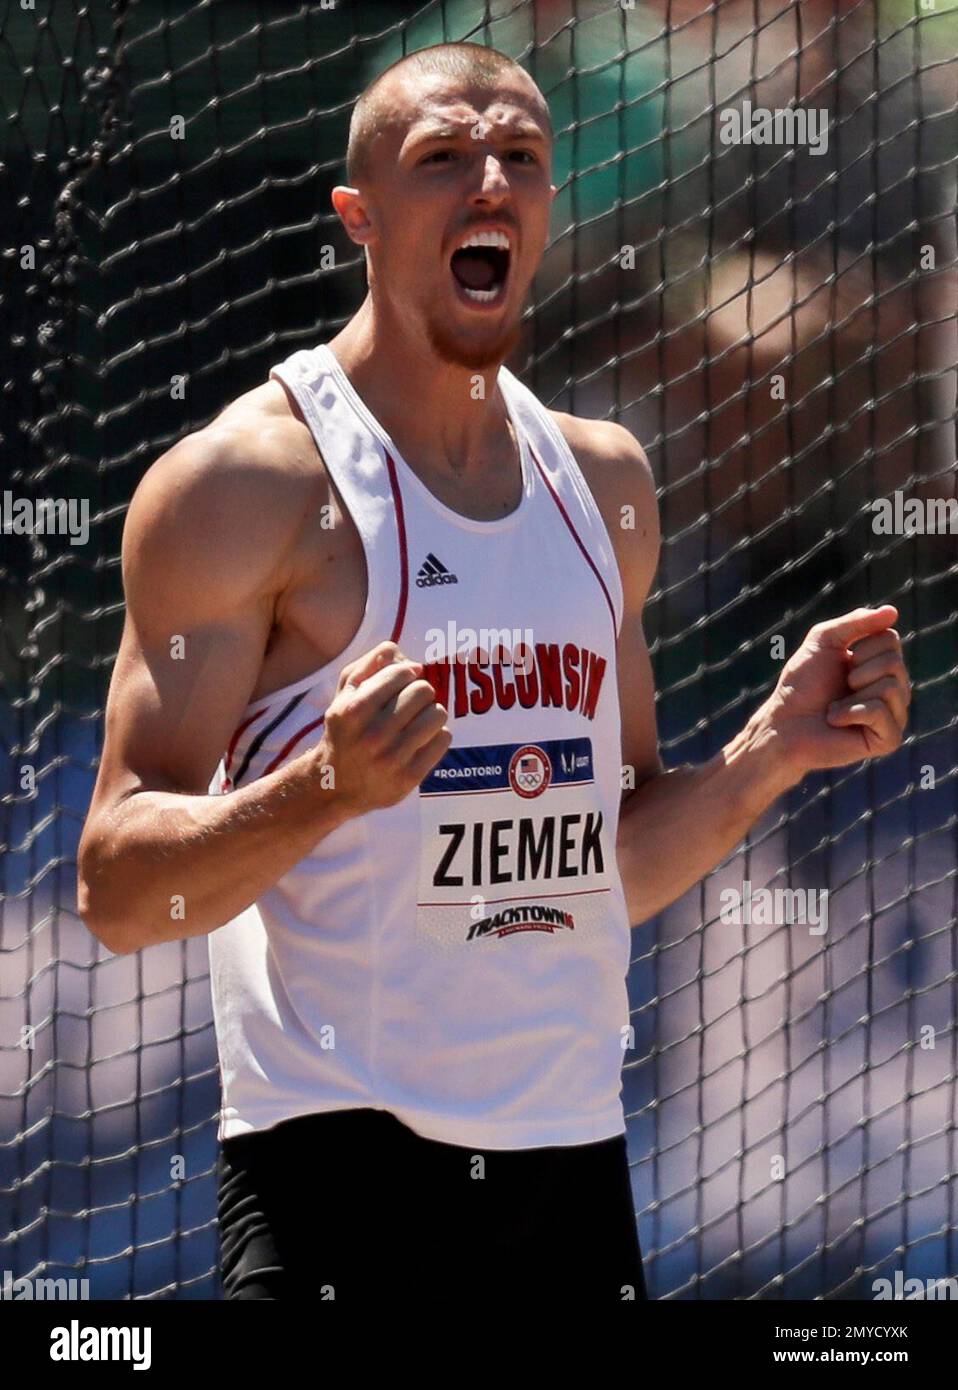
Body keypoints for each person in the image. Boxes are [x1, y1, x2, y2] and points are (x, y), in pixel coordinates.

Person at [77, 42, 911, 1302]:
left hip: (572, 1179)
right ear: (358, 217)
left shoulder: (604, 483)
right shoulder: (243, 487)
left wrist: (766, 757)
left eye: (519, 156)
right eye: (442, 158)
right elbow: (119, 895)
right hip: (336, 1186)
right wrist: (322, 790)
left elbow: (609, 866)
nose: (489, 183)